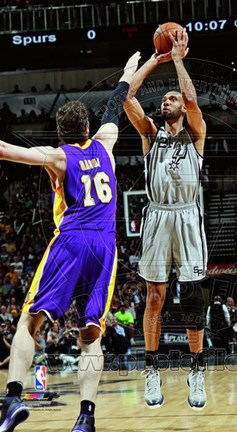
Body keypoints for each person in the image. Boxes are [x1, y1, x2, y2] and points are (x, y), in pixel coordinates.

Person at [0, 51, 140, 432]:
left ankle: (12, 398)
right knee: (90, 333)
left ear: (61, 133)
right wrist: (131, 71)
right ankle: (85, 418)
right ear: (88, 127)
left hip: (72, 240)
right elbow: (117, 100)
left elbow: (5, 150)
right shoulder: (106, 142)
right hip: (106, 246)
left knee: (30, 321)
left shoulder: (57, 157)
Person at [124, 29, 208, 410]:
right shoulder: (150, 134)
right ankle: (152, 369)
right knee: (155, 297)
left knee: (191, 297)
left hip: (188, 217)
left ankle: (196, 371)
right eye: (164, 98)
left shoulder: (196, 134)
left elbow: (191, 97)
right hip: (158, 217)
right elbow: (127, 97)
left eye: (170, 97)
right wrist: (153, 62)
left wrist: (176, 59)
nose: (167, 100)